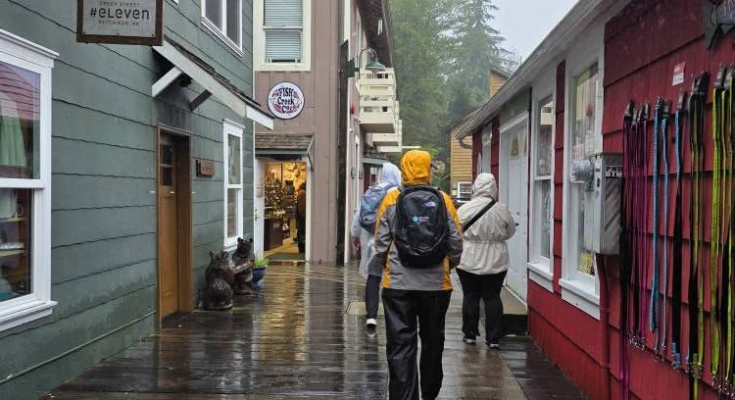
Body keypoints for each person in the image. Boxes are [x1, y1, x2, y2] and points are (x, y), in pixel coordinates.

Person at [374, 150, 463, 400]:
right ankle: (430, 392)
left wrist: (389, 265)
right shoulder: (443, 199)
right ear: (428, 170)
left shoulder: (392, 199)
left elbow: (380, 244)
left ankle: (404, 396)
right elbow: (456, 242)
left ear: (404, 169)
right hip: (436, 285)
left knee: (401, 345)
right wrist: (448, 265)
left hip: (398, 285)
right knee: (433, 341)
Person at [456, 173, 516, 350]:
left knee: (470, 296)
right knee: (492, 297)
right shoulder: (501, 210)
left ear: (475, 187)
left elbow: (455, 230)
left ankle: (469, 334)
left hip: (468, 259)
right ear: (493, 188)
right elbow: (511, 231)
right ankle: (493, 338)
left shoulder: (464, 209)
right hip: (496, 260)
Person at [350, 163, 402, 336]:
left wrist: (355, 235)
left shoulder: (373, 191)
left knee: (373, 278)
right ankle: (393, 316)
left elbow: (359, 216)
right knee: (393, 280)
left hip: (372, 244)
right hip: (392, 245)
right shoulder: (397, 194)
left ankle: (371, 316)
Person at [296, 183, 307, 253]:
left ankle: (302, 249)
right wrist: (306, 217)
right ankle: (302, 250)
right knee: (302, 235)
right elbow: (302, 209)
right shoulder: (302, 193)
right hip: (302, 219)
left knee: (302, 235)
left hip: (302, 218)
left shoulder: (302, 192)